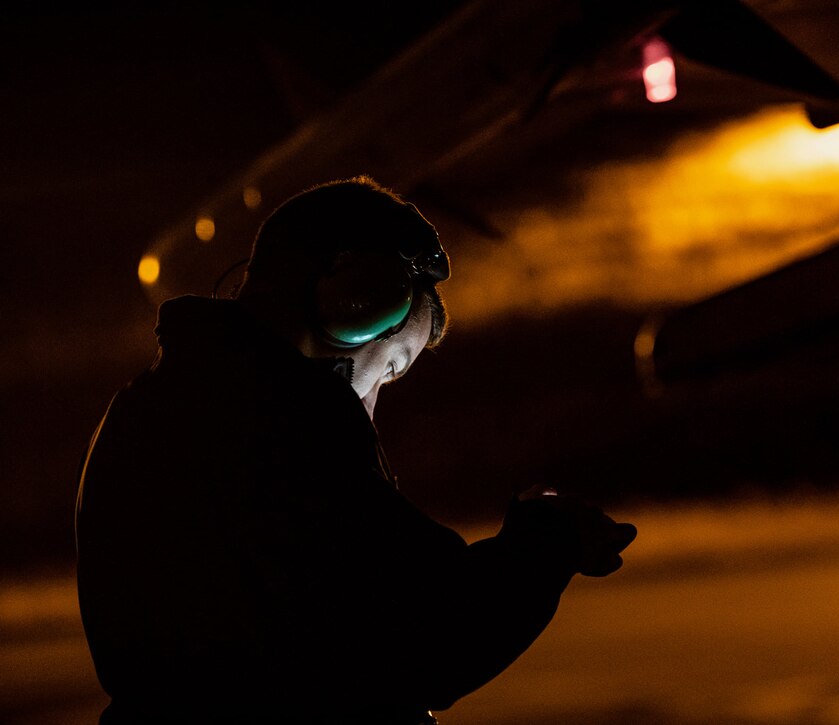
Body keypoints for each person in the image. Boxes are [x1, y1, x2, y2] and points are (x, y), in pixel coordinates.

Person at [75, 176, 637, 724]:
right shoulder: (283, 423)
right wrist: (547, 541)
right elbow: (429, 634)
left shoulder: (148, 406)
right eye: (390, 368)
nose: (374, 396)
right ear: (359, 300)